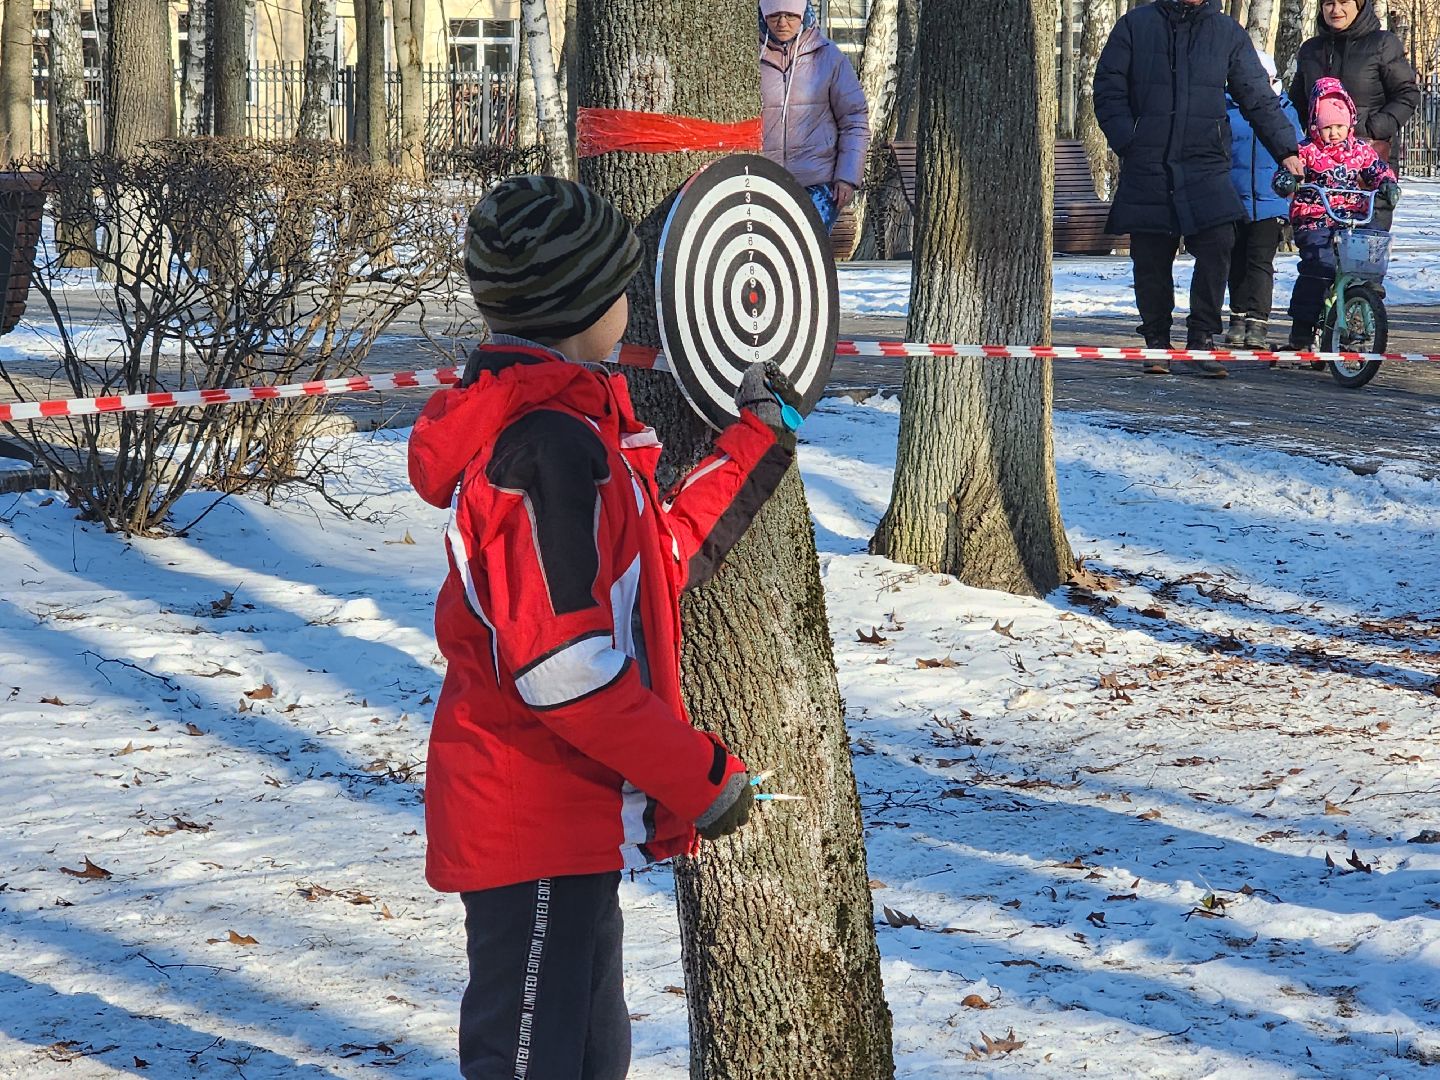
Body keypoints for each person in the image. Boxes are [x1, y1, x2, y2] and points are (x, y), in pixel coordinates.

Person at [408, 175, 800, 1080]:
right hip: (529, 816)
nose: (632, 307)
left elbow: (654, 561)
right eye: (620, 289)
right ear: (581, 310)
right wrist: (696, 774)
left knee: (593, 1055)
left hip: (574, 820)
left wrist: (755, 443)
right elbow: (561, 664)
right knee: (532, 1063)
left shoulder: (575, 430)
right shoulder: (543, 447)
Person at [1094, 0, 1304, 376]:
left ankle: (1202, 338)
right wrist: (1130, 139)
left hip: (1205, 162)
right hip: (1149, 162)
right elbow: (1107, 89)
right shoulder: (1134, 25)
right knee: (1151, 257)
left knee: (1219, 242)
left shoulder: (1226, 32)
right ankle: (1157, 341)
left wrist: (1287, 149)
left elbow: (1257, 96)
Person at [1275, 78, 1399, 349]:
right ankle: (1302, 332)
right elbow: (1288, 170)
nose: (1334, 133)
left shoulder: (1360, 151)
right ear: (1315, 125)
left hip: (1352, 216)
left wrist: (1387, 183)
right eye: (1327, 127)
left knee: (1373, 240)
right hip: (1316, 216)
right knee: (1319, 269)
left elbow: (1377, 169)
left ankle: (1367, 291)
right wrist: (1287, 180)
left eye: (1339, 126)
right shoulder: (1306, 151)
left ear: (1350, 124)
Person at [1291, 0, 1418, 227]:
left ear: (1359, 5)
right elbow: (1298, 102)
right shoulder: (1311, 50)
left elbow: (1406, 94)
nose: (1335, 10)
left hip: (1367, 163)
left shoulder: (1383, 44)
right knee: (1320, 254)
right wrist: (1311, 137)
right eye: (1329, 3)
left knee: (1364, 251)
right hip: (1320, 171)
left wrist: (1373, 128)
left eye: (1344, 2)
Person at [759, 0, 870, 233]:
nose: (782, 23)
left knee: (805, 260)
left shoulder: (828, 56)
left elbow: (854, 120)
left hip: (818, 185)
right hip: (761, 181)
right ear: (763, 14)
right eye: (774, 15)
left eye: (790, 15)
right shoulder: (746, 56)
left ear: (802, 14)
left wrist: (847, 177)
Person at [1224, 50, 1304, 349]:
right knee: (1236, 261)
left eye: (1267, 79)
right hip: (1234, 198)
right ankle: (1237, 316)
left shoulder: (1285, 110)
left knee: (1261, 262)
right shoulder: (1227, 108)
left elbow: (1297, 149)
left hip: (1270, 200)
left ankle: (1258, 322)